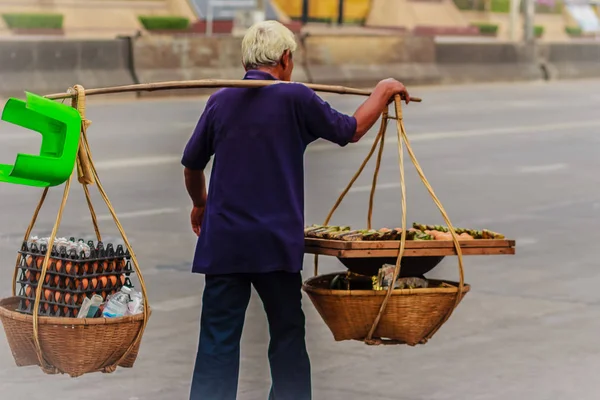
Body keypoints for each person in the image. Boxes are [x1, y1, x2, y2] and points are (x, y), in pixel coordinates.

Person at [182, 20, 411, 400]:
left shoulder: (220, 100)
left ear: (247, 61)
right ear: (286, 59)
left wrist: (200, 205)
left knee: (217, 343)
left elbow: (192, 165)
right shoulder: (296, 98)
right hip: (275, 246)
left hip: (224, 245)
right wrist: (384, 90)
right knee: (287, 337)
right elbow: (351, 130)